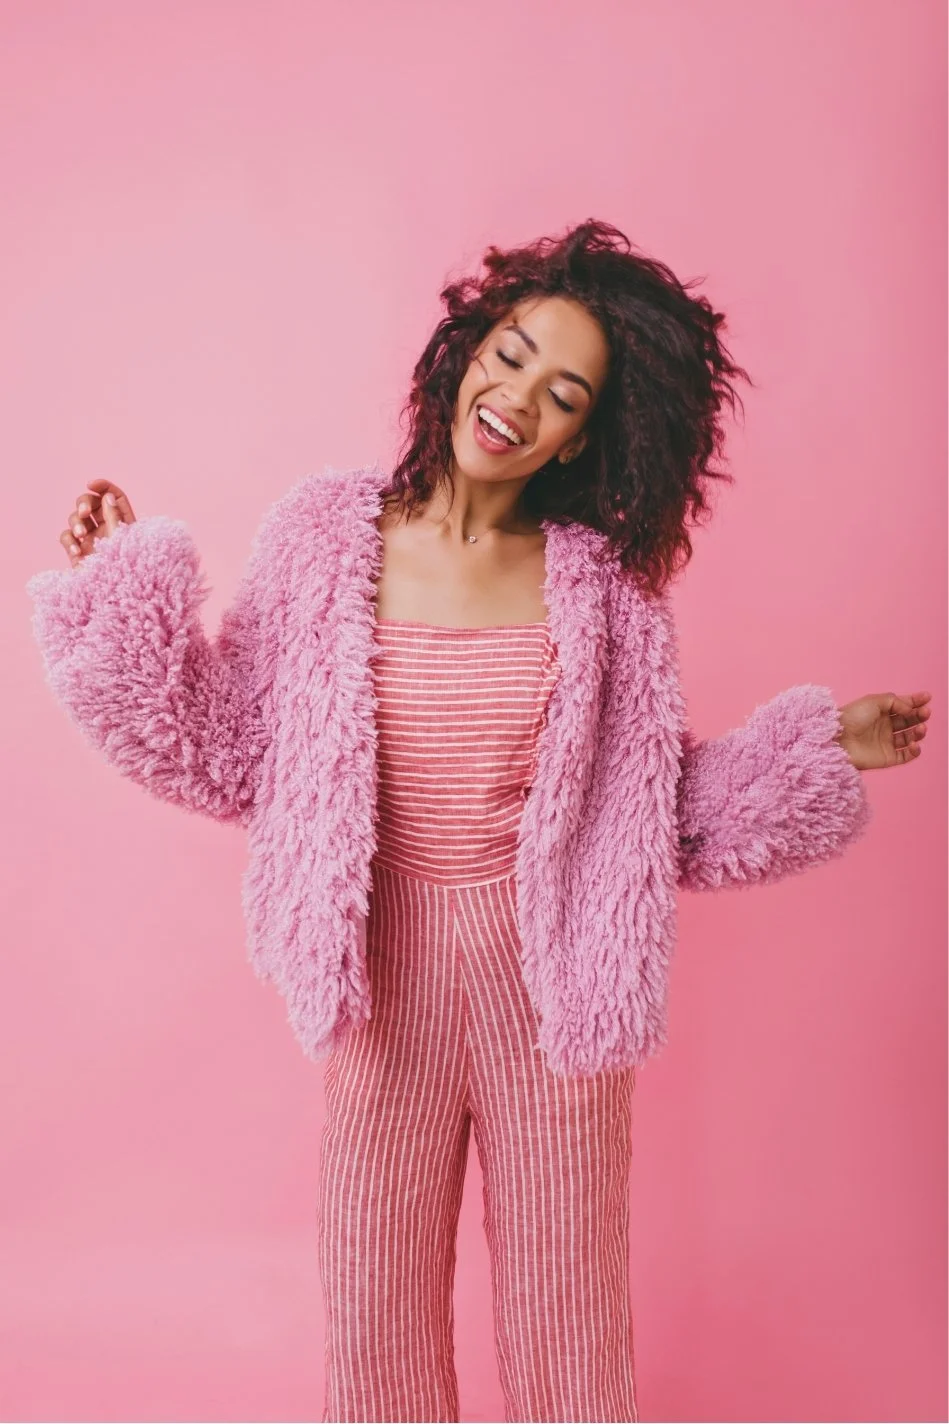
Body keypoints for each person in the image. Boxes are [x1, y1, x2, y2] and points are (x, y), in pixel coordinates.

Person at [27, 219, 931, 1424]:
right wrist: (121, 590)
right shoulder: (320, 534)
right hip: (376, 982)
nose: (517, 399)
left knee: (567, 1330)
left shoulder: (603, 588)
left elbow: (645, 815)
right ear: (463, 348)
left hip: (549, 989)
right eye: (510, 354)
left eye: (564, 394)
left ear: (588, 435)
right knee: (376, 1325)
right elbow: (227, 743)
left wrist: (822, 746)